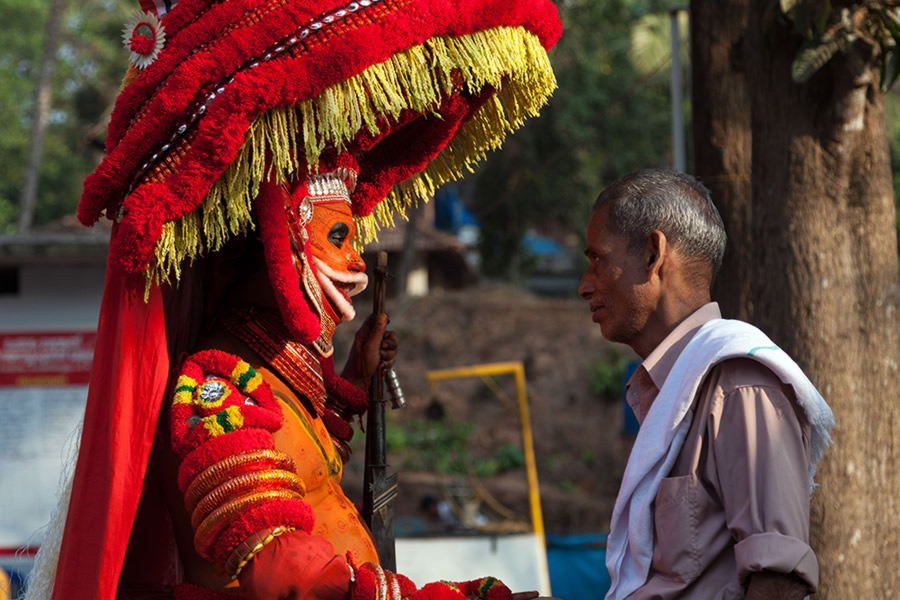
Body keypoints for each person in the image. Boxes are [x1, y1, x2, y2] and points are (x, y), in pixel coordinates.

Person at [23, 1, 563, 599]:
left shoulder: (270, 374)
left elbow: (302, 471)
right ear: (281, 241)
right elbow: (279, 572)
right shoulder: (217, 384)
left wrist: (352, 379)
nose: (357, 262)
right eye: (338, 236)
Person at [577, 169, 835, 600]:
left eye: (597, 259)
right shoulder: (676, 390)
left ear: (653, 254)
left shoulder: (738, 385)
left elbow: (778, 581)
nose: (585, 285)